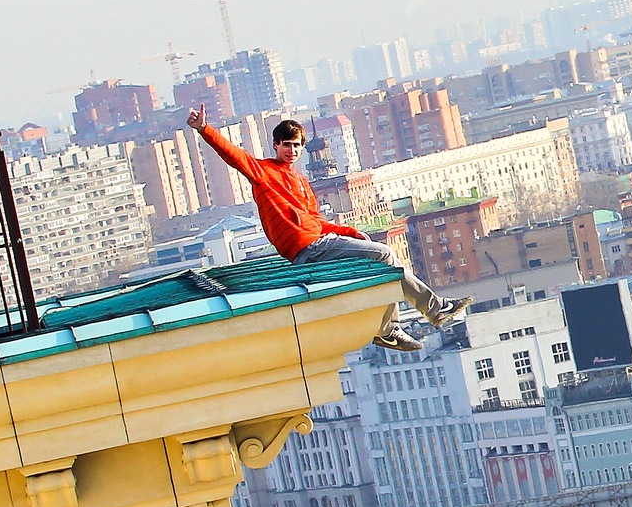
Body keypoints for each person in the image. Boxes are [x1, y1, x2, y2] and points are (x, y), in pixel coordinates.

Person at [188, 108, 463, 349]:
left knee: (381, 263)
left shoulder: (301, 182)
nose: (292, 151)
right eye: (286, 145)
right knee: (385, 254)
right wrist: (204, 128)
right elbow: (233, 155)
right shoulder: (263, 172)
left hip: (319, 243)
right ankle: (422, 314)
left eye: (297, 146)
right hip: (308, 248)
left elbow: (317, 222)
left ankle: (393, 327)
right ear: (275, 145)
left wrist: (352, 233)